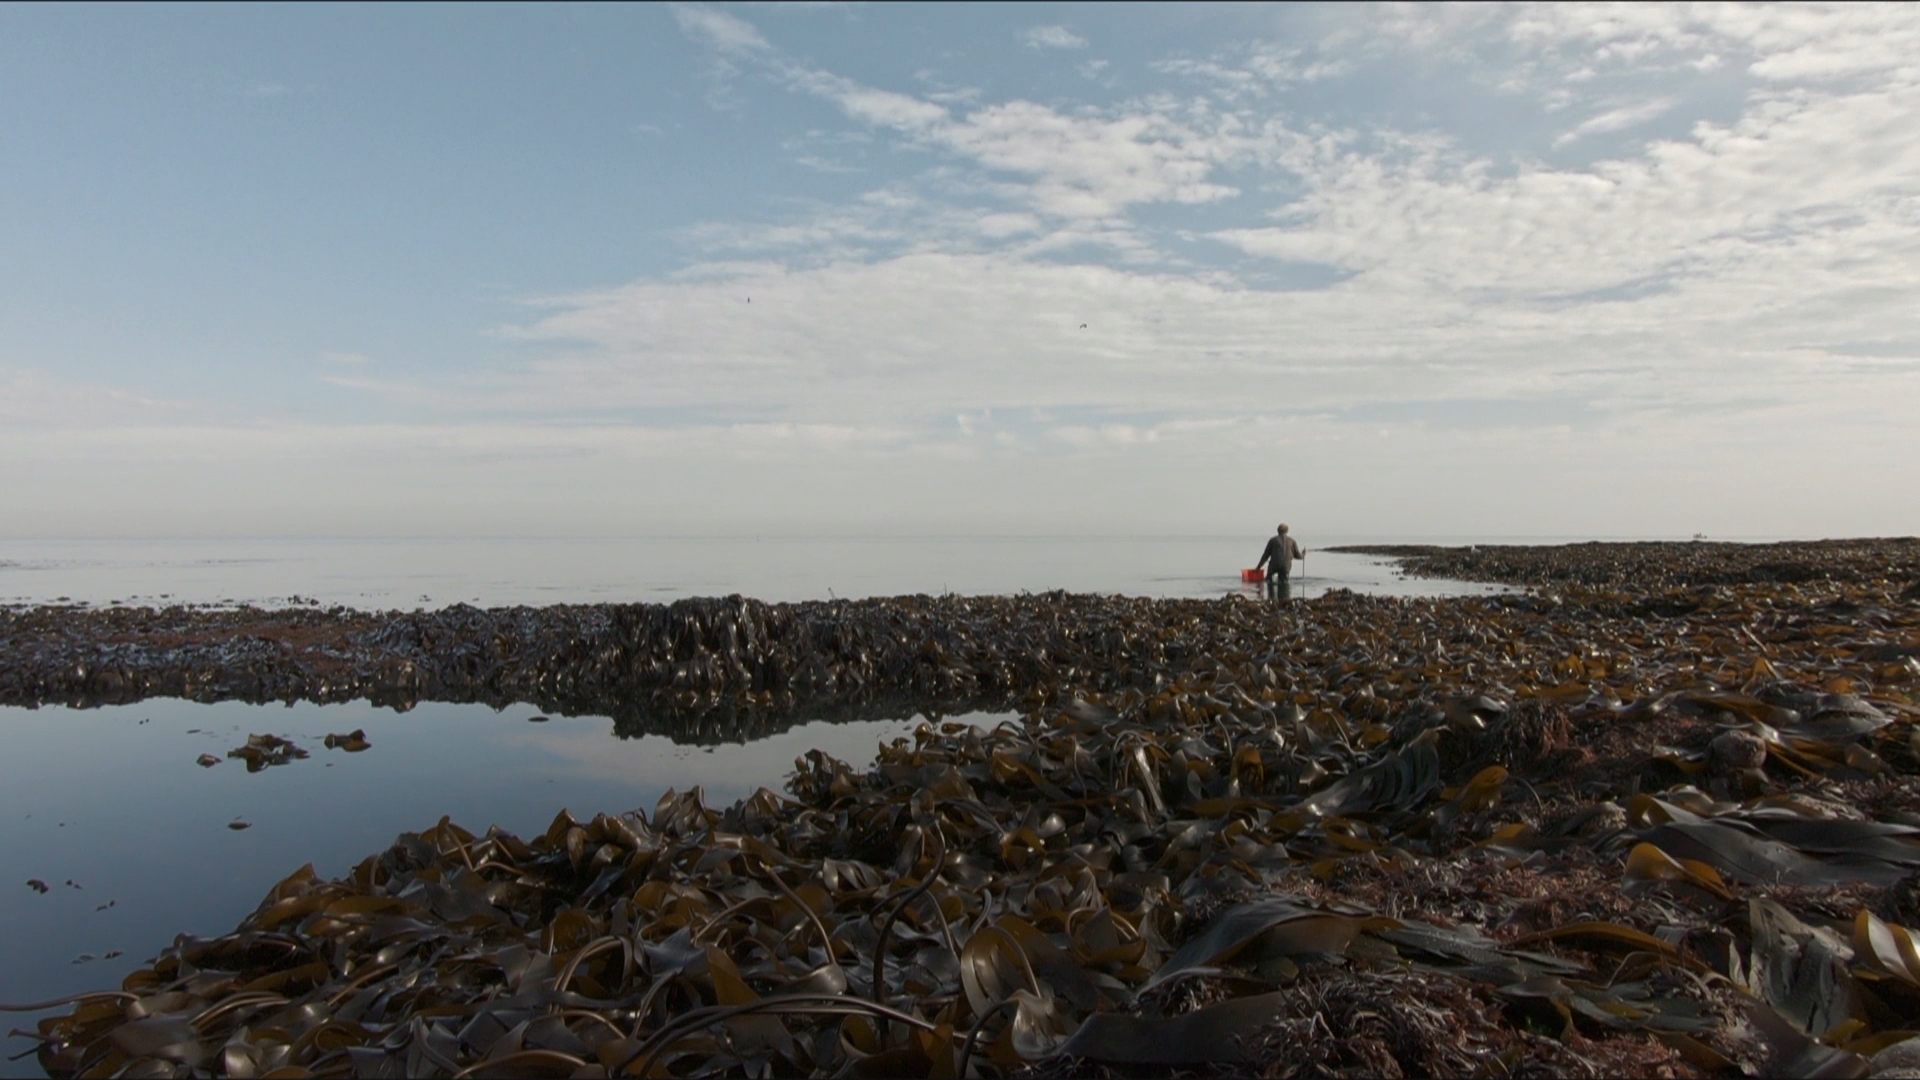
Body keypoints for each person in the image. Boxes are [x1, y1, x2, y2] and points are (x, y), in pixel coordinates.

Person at [1254, 523, 1305, 600]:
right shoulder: (1292, 541)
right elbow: (1298, 556)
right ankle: (1284, 599)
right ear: (1287, 531)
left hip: (1274, 566)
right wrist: (1303, 554)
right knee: (1283, 583)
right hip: (1286, 567)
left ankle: (1271, 598)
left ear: (1278, 531)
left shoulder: (1273, 540)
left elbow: (1265, 555)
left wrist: (1258, 567)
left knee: (1269, 581)